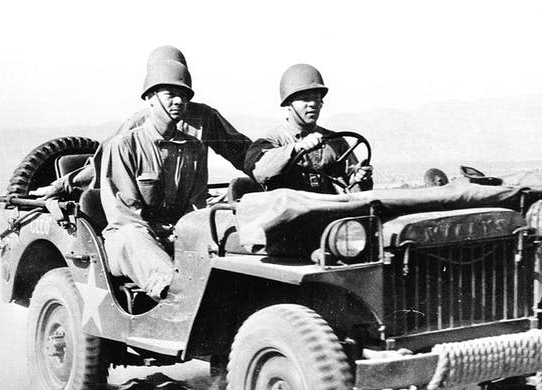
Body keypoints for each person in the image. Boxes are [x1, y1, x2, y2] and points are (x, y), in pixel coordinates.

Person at [32, 46, 250, 198]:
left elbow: (242, 152)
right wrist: (62, 184)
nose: (176, 99)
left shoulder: (205, 118)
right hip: (147, 205)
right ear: (151, 92)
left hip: (187, 205)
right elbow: (103, 164)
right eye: (167, 91)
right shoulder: (137, 124)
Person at [100, 58, 206, 301]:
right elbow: (125, 215)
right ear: (150, 98)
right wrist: (165, 234)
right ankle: (173, 295)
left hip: (177, 236)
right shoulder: (125, 145)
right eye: (170, 94)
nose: (179, 101)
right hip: (133, 240)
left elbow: (198, 206)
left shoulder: (195, 148)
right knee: (132, 236)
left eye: (184, 96)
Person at [244, 64, 372, 194]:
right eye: (305, 99)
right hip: (293, 212)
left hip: (332, 209)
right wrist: (296, 148)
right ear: (289, 103)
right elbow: (260, 171)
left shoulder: (337, 142)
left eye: (316, 98)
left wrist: (358, 177)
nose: (312, 104)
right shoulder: (271, 141)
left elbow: (355, 188)